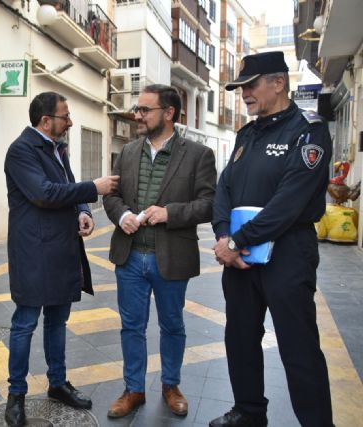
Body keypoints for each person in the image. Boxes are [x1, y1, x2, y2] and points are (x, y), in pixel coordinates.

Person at [210, 51, 334, 427]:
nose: (244, 93)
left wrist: (235, 243)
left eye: (251, 85)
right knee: (241, 338)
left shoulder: (308, 130)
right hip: (241, 258)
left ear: (278, 83)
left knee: (299, 347)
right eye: (241, 87)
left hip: (287, 253)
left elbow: (289, 203)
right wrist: (223, 235)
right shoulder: (247, 133)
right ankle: (249, 412)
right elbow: (224, 188)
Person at [3, 91, 119, 427]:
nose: (69, 122)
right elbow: (44, 193)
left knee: (58, 321)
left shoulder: (57, 147)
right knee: (24, 323)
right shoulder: (22, 150)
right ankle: (16, 394)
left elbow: (66, 184)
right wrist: (92, 189)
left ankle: (57, 383)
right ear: (45, 120)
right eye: (65, 116)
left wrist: (83, 210)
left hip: (61, 248)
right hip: (33, 253)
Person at [103, 84, 217, 419]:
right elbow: (111, 195)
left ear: (168, 113)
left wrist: (171, 213)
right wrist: (122, 214)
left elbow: (209, 204)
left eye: (144, 110)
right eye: (137, 109)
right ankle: (133, 389)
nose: (137, 115)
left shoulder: (198, 154)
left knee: (172, 325)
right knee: (131, 327)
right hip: (130, 256)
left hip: (172, 256)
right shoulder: (128, 151)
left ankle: (171, 386)